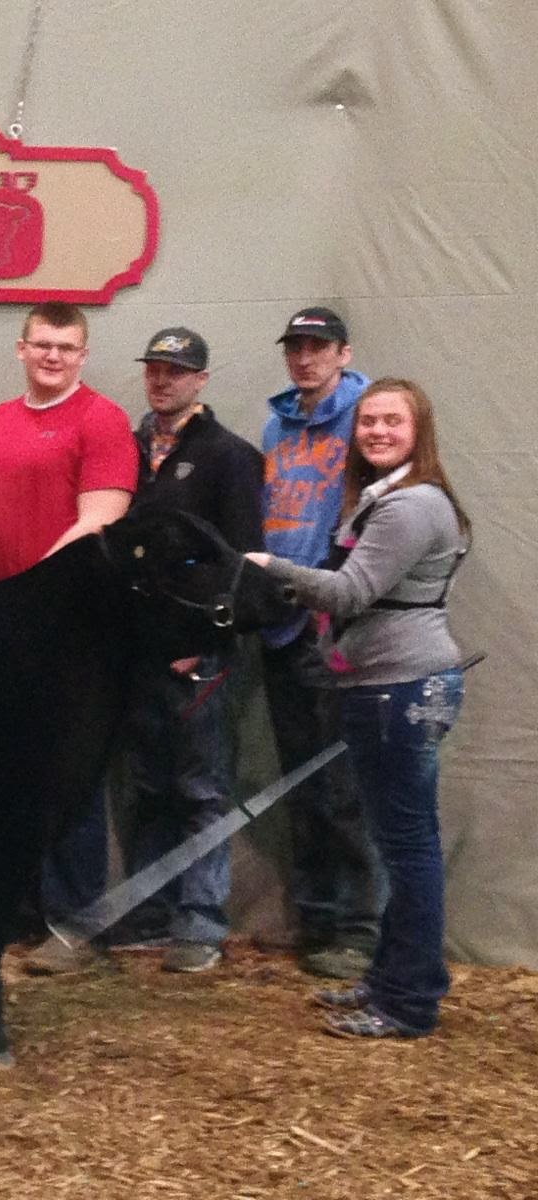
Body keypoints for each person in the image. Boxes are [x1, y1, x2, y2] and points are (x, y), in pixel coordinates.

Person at [249, 379, 469, 1038]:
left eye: (391, 421)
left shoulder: (408, 507)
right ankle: (397, 979)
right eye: (368, 421)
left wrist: (267, 566)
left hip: (398, 689)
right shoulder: (381, 498)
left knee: (408, 851)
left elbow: (347, 594)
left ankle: (408, 1003)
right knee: (405, 845)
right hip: (385, 684)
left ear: (417, 430)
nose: (376, 431)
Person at [0, 302, 137, 975]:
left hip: (70, 632)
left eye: (66, 346)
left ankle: (76, 929)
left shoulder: (103, 421)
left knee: (70, 782)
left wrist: (30, 599)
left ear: (82, 355)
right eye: (42, 344)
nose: (53, 356)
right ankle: (17, 914)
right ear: (21, 348)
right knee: (3, 778)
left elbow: (101, 519)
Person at [117, 328, 263, 973]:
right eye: (155, 368)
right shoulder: (127, 450)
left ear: (201, 380)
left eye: (177, 370)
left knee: (202, 787)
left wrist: (199, 639)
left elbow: (236, 560)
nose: (163, 379)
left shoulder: (229, 456)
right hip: (139, 646)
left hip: (197, 650)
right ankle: (150, 913)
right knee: (146, 786)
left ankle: (201, 922)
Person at [260, 306, 382, 979]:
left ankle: (360, 927)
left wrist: (335, 600)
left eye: (317, 348)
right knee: (301, 780)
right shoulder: (277, 422)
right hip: (282, 619)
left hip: (334, 626)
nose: (304, 359)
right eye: (296, 348)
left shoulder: (366, 415)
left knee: (341, 782)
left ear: (343, 352)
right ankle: (316, 919)